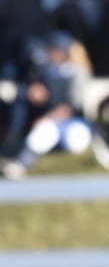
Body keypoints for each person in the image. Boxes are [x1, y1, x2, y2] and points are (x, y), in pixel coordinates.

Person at [0, 31, 92, 179]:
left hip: (74, 122)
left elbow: (70, 108)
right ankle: (20, 164)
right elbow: (39, 92)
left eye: (55, 49)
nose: (51, 53)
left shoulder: (77, 73)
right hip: (53, 122)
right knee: (44, 133)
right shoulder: (47, 71)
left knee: (75, 139)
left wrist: (47, 117)